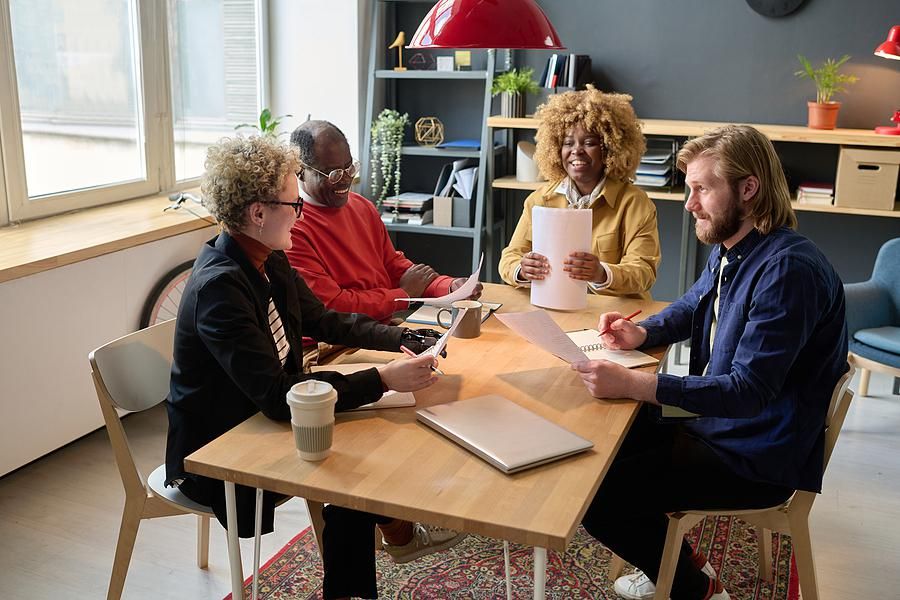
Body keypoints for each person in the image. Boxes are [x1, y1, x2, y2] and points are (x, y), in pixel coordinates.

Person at [164, 135, 464, 600]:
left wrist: (398, 335)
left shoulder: (266, 257)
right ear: (258, 212)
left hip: (257, 416)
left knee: (368, 455)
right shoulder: (221, 288)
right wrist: (382, 379)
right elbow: (276, 396)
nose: (301, 214)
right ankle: (370, 567)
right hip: (217, 452)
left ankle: (371, 565)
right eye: (293, 204)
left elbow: (324, 319)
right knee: (354, 476)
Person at [571, 125, 849, 600]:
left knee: (596, 494)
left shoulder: (787, 271)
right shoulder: (736, 246)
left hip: (756, 450)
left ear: (747, 189)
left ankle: (695, 589)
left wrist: (638, 385)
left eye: (702, 189)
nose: (689, 203)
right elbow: (692, 305)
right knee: (610, 437)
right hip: (725, 422)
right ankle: (682, 559)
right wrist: (643, 332)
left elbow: (747, 392)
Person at [285, 120, 482, 325]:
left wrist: (449, 286)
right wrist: (402, 294)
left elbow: (393, 266)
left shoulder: (362, 206)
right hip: (336, 344)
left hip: (379, 329)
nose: (345, 179)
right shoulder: (291, 228)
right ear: (300, 171)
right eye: (334, 173)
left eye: (350, 167)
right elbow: (333, 307)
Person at [498, 86, 660, 299]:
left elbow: (644, 271)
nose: (576, 150)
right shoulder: (539, 200)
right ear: (556, 149)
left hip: (614, 317)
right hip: (554, 307)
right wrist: (522, 268)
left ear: (610, 148)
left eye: (590, 142)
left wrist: (602, 274)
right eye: (567, 143)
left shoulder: (635, 203)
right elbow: (509, 257)